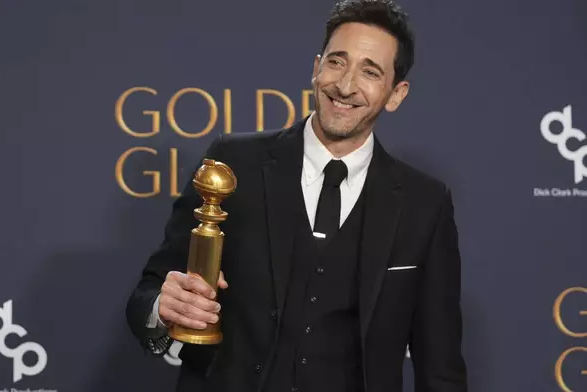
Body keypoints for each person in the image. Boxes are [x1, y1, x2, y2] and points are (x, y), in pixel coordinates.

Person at [126, 0, 468, 391]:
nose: (345, 85)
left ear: (395, 94)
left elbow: (440, 365)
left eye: (370, 72)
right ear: (316, 67)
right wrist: (162, 307)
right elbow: (151, 288)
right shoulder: (233, 163)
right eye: (337, 62)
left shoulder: (425, 203)